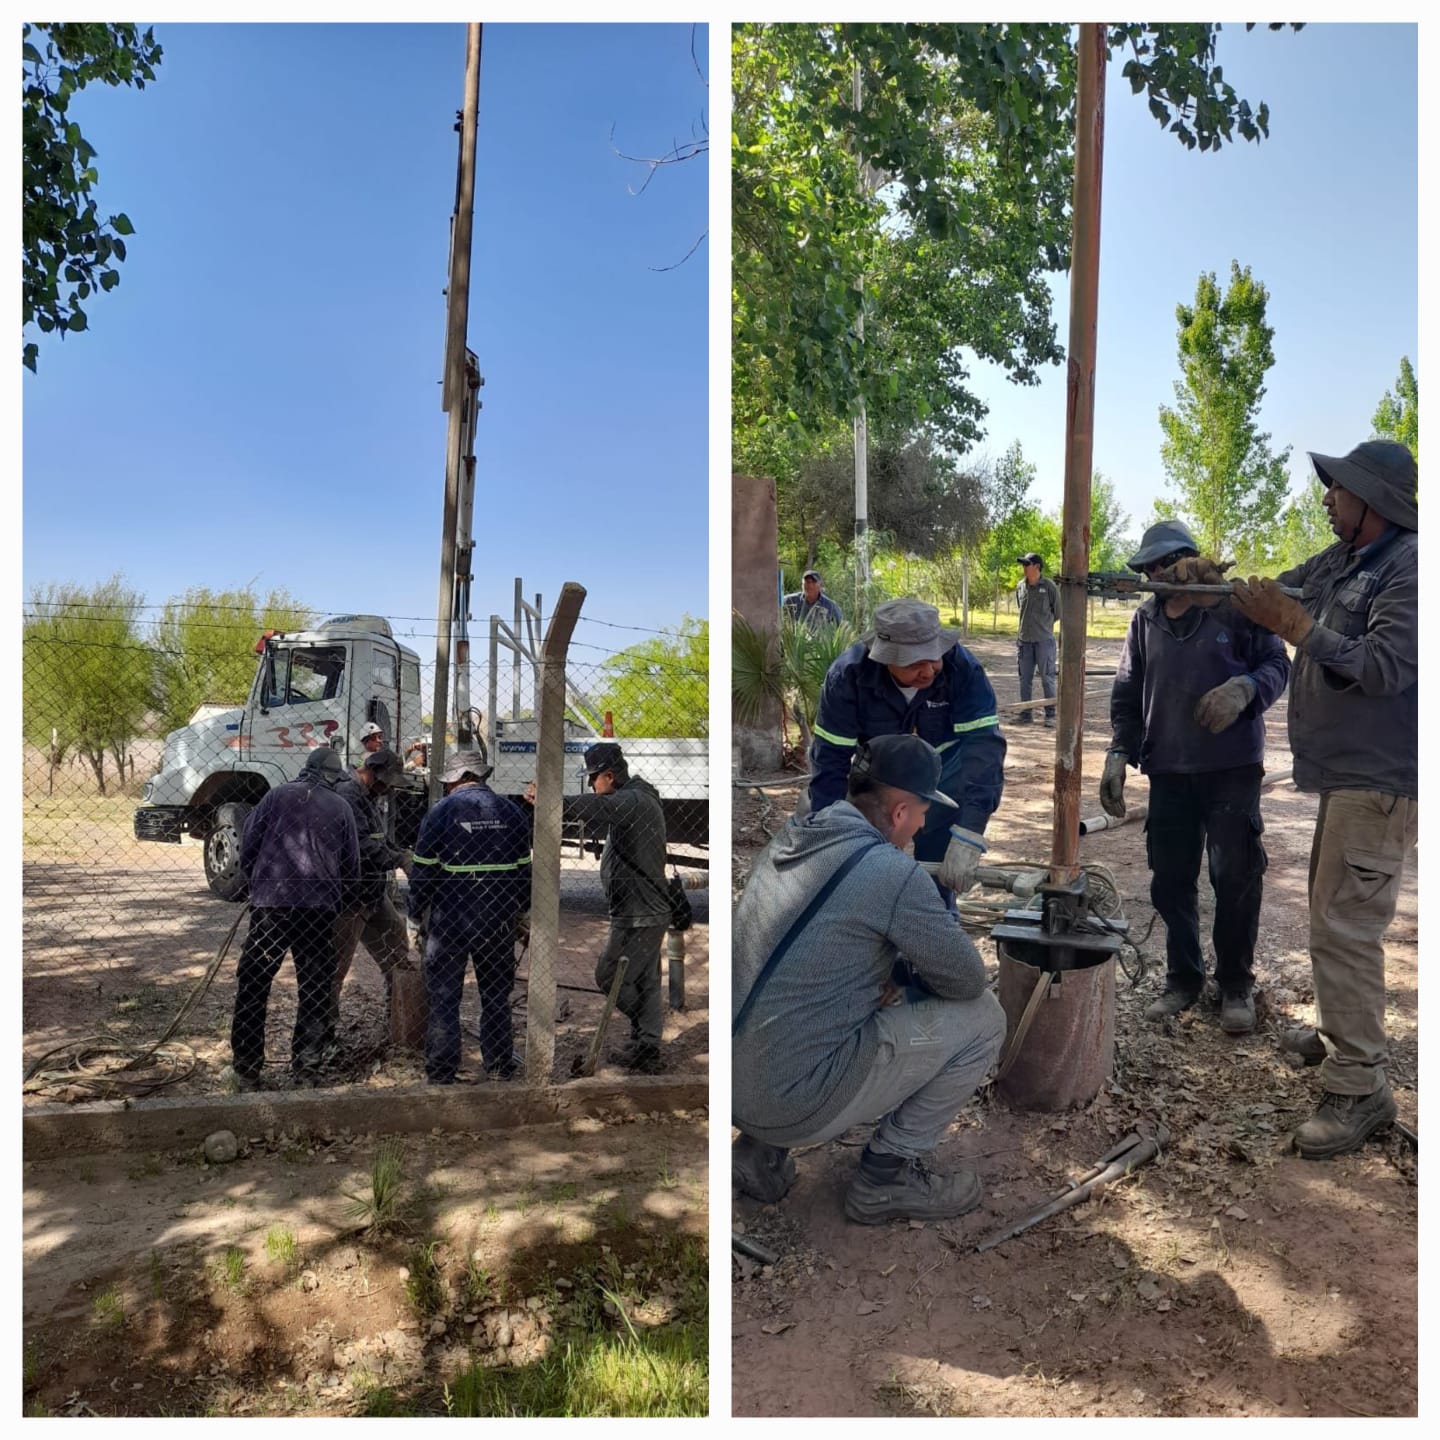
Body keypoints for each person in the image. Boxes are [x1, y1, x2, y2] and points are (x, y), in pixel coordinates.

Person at [1229, 439, 1417, 1159]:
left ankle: (1360, 1085)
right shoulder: (1344, 562)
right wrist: (1204, 584)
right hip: (1348, 776)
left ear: (1374, 502)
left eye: (1338, 490)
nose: (1327, 499)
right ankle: (1344, 1036)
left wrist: (1298, 629)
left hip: (1381, 779)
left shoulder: (1409, 570)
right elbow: (1271, 594)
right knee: (1329, 911)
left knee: (1345, 927)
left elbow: (1386, 665)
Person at [733, 734, 1007, 1223]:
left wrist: (893, 976)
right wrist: (911, 983)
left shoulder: (793, 836)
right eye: (924, 812)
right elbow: (967, 981)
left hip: (735, 1087)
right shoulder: (891, 873)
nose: (924, 824)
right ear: (900, 812)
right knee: (985, 1018)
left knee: (793, 998)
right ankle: (885, 1179)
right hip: (792, 1099)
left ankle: (758, 1149)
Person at [1100, 519, 1290, 1034]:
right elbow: (1125, 693)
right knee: (1171, 881)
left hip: (1232, 770)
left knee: (1235, 877)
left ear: (1190, 560)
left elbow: (1277, 664)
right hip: (1169, 771)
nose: (1159, 574)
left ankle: (1235, 985)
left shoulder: (1234, 607)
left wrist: (1247, 689)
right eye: (1150, 568)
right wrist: (1118, 751)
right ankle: (1183, 979)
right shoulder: (1145, 621)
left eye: (1166, 564)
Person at [807, 598, 1005, 905]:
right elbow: (830, 762)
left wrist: (970, 830)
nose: (927, 671)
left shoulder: (963, 670)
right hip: (876, 783)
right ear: (886, 658)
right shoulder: (847, 677)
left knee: (937, 888)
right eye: (913, 662)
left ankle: (935, 929)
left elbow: (985, 751)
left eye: (933, 658)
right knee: (865, 877)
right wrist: (831, 833)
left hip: (945, 780)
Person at [533, 740, 671, 1073]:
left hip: (638, 915)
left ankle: (647, 1038)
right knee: (646, 982)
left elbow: (600, 809)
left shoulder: (633, 801)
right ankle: (647, 1047)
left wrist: (554, 803)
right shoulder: (635, 798)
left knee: (609, 976)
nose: (592, 785)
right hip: (642, 910)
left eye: (594, 778)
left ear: (609, 775)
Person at [231, 746, 359, 1088]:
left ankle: (246, 1068)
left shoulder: (274, 797)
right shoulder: (342, 807)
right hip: (318, 910)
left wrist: (253, 884)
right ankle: (307, 1068)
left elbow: (248, 844)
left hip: (271, 906)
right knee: (315, 987)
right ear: (333, 778)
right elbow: (352, 867)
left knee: (254, 983)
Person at [409, 749, 532, 1083]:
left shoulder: (440, 813)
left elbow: (423, 871)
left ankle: (441, 1071)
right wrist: (522, 911)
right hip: (498, 919)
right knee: (495, 995)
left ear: (456, 780)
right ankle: (498, 1065)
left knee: (445, 997)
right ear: (480, 777)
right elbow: (524, 871)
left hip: (451, 919)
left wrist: (414, 915)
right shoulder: (512, 812)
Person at [329, 747, 412, 1047]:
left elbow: (379, 839)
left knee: (398, 952)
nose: (389, 788)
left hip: (373, 895)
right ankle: (325, 1036)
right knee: (335, 969)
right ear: (373, 772)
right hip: (350, 899)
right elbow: (362, 846)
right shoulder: (348, 796)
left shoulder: (370, 797)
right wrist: (399, 860)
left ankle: (400, 1021)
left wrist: (401, 852)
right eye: (387, 780)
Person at [1014, 552, 1060, 727]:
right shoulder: (1020, 587)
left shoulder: (1049, 587)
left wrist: (1043, 627)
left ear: (1037, 567)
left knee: (1047, 678)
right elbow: (1021, 608)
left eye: (1027, 564)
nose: (1024, 568)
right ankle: (1026, 714)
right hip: (1024, 641)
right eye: (1023, 565)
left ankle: (1050, 715)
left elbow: (1057, 613)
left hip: (1044, 642)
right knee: (1024, 679)